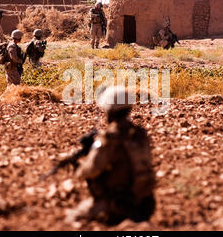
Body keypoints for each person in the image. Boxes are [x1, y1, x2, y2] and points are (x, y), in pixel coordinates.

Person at [66, 86, 156, 226]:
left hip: (118, 205)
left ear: (109, 111)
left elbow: (90, 170)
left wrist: (79, 165)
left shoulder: (109, 139)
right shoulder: (140, 134)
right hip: (146, 204)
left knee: (73, 217)